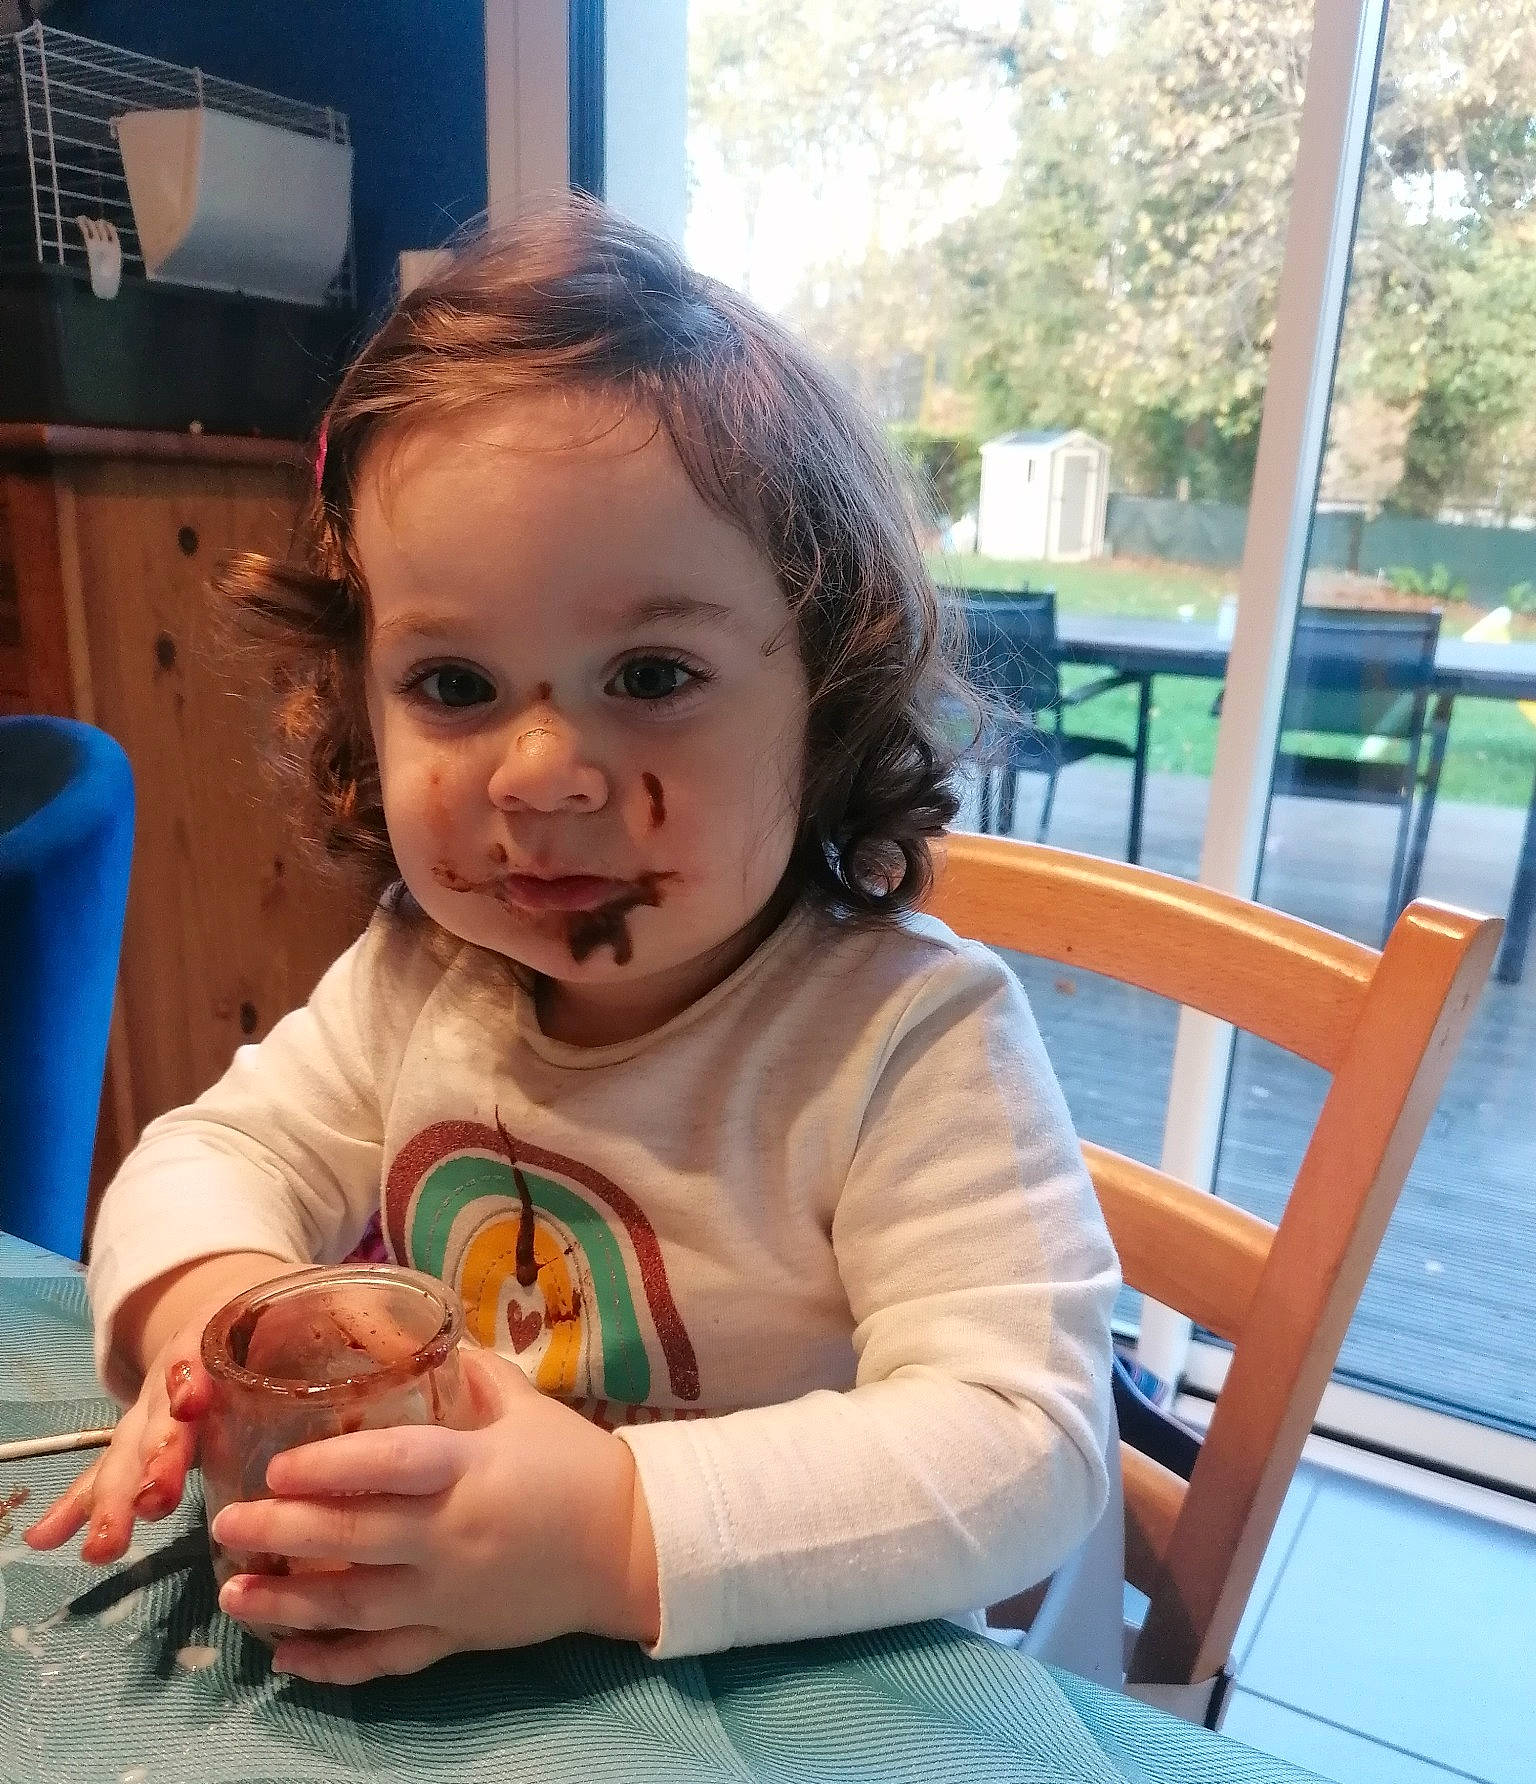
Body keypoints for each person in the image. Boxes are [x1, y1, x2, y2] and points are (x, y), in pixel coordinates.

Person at [27, 197, 1118, 1683]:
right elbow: (209, 1158)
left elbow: (1028, 1444)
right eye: (457, 682)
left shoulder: (903, 1042)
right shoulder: (425, 978)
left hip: (783, 1712)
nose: (538, 773)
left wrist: (612, 1530)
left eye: (652, 672)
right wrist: (213, 1327)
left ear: (831, 693)